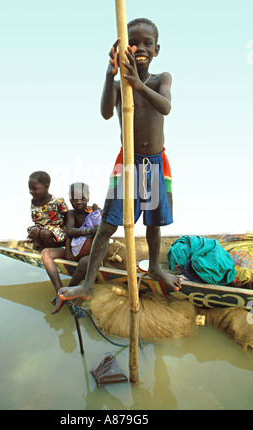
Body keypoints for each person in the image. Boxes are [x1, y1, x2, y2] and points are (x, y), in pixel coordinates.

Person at [59, 18, 181, 303]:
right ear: (124, 49)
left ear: (157, 49)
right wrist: (108, 74)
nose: (140, 48)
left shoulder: (161, 78)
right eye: (133, 43)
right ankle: (87, 285)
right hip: (128, 163)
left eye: (147, 43)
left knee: (154, 221)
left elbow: (165, 107)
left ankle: (153, 267)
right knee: (108, 225)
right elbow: (104, 112)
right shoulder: (118, 86)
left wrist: (138, 85)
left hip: (154, 163)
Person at [42, 182, 101, 314]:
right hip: (72, 251)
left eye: (83, 199)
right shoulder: (71, 214)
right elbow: (69, 232)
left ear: (88, 198)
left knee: (85, 262)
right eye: (74, 199)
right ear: (70, 200)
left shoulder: (94, 212)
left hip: (87, 253)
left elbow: (101, 231)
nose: (79, 202)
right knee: (46, 253)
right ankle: (59, 290)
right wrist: (89, 231)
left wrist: (97, 215)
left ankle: (67, 292)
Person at [27, 171, 68, 249]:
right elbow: (36, 221)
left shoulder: (57, 201)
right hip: (42, 229)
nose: (31, 192)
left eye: (35, 189)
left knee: (45, 233)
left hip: (57, 231)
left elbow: (67, 215)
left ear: (46, 186)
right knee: (34, 231)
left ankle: (55, 249)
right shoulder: (34, 203)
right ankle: (42, 248)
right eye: (30, 189)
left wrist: (69, 233)